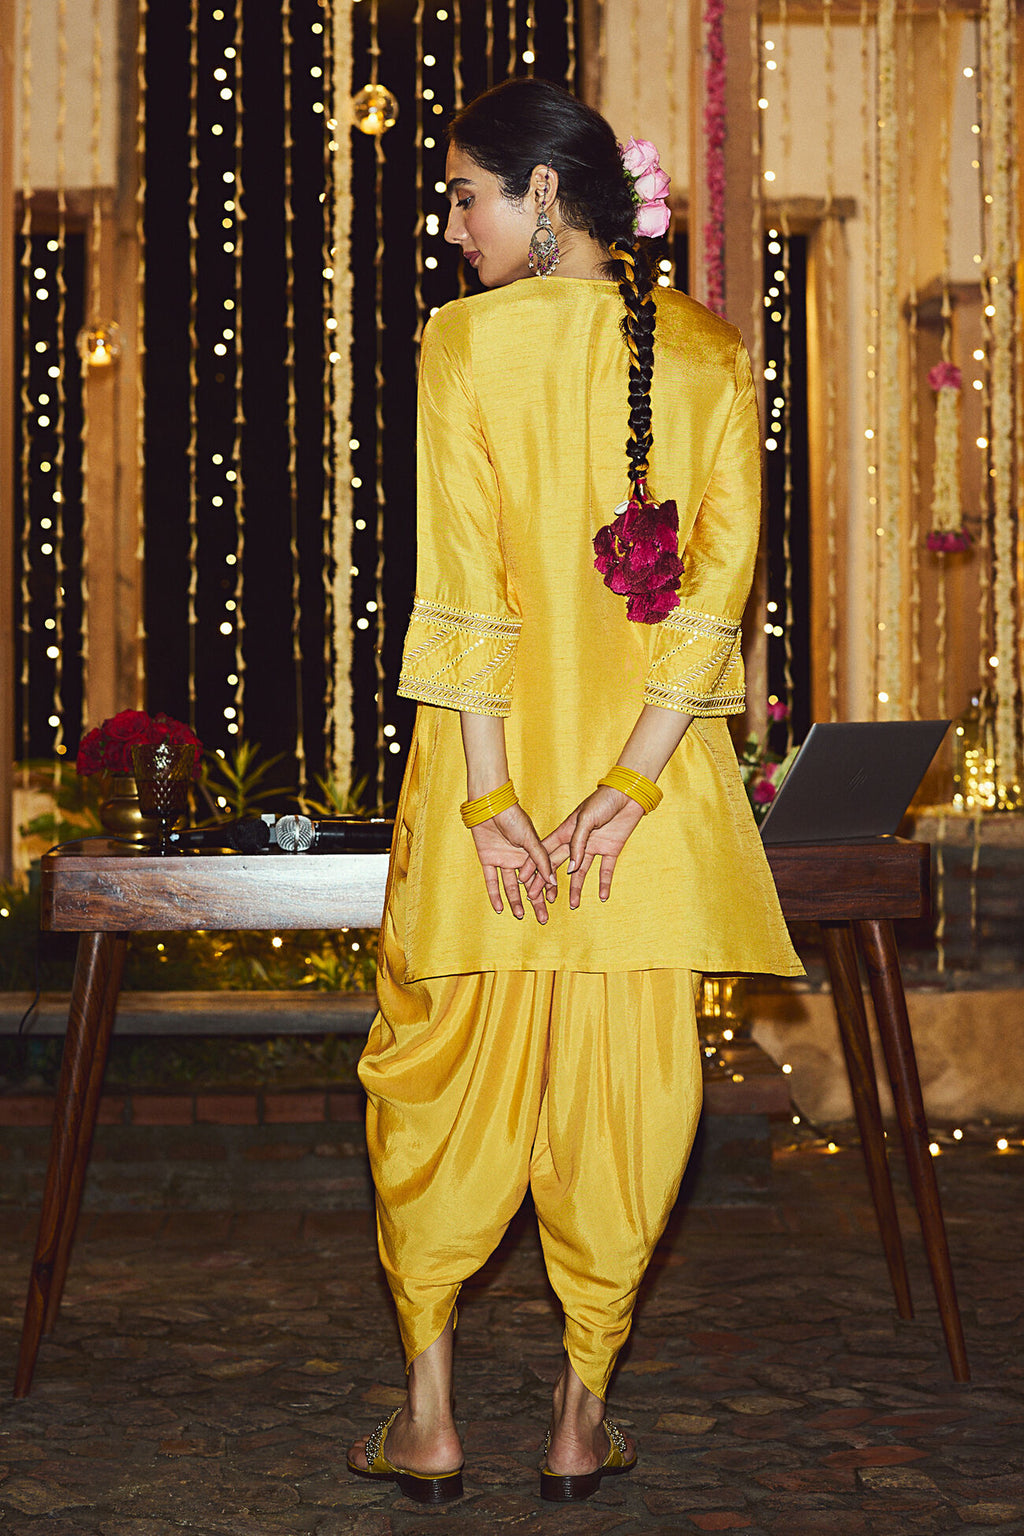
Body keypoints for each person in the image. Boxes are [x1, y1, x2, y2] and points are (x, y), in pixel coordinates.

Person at [347, 76, 802, 1506]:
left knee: (441, 1081)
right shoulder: (719, 354)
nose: (449, 226)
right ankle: (575, 1417)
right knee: (627, 1096)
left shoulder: (463, 346)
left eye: (464, 195)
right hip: (644, 818)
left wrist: (496, 808)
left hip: (493, 807)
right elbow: (713, 607)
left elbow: (462, 589)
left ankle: (426, 1414)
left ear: (546, 196)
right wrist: (623, 789)